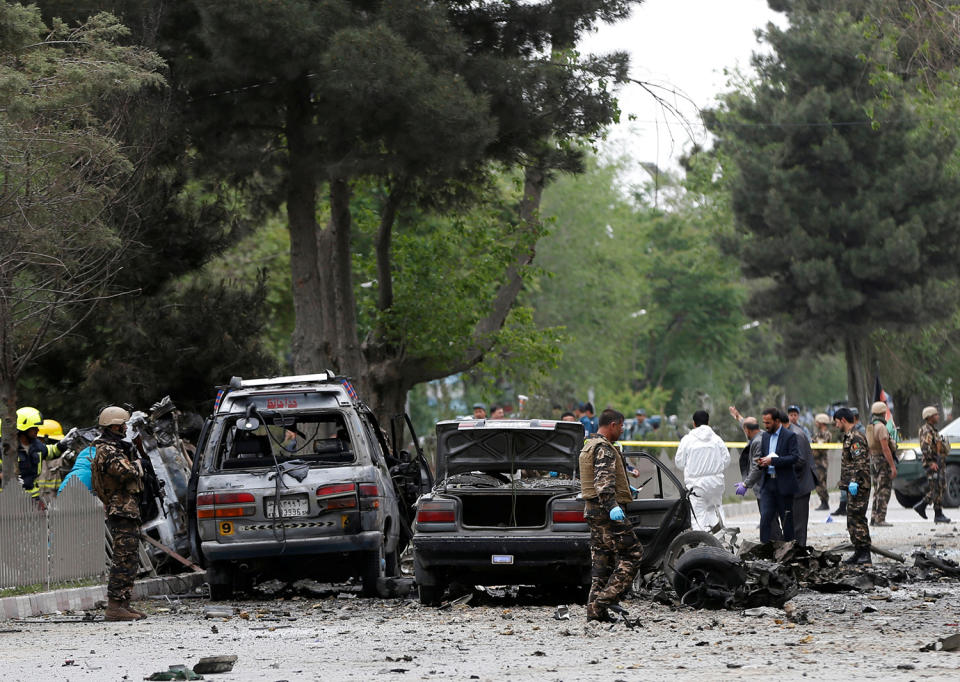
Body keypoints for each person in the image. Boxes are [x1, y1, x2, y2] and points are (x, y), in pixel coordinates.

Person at [579, 409, 643, 622]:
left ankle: (595, 613)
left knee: (602, 562)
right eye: (622, 426)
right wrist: (613, 504)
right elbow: (603, 483)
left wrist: (626, 490)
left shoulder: (589, 445)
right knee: (633, 553)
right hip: (607, 511)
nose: (623, 430)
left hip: (593, 511)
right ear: (613, 424)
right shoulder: (604, 448)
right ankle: (605, 599)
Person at [91, 406, 147, 622]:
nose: (125, 428)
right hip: (120, 508)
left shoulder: (116, 448)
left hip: (127, 508)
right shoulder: (107, 450)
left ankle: (123, 603)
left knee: (130, 558)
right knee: (123, 558)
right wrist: (138, 464)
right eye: (122, 425)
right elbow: (125, 471)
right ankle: (114, 606)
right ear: (114, 426)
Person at [675, 410, 730, 531]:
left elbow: (679, 463)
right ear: (708, 422)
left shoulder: (687, 440)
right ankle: (720, 544)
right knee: (716, 513)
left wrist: (693, 467)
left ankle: (702, 546)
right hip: (716, 483)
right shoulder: (717, 439)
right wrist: (714, 469)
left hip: (697, 485)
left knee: (698, 517)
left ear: (693, 423)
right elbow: (727, 460)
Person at [756, 407, 800, 543]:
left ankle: (789, 550)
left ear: (777, 421)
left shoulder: (789, 436)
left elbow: (794, 458)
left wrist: (773, 461)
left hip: (783, 485)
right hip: (768, 484)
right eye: (764, 422)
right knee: (765, 519)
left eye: (768, 423)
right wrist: (762, 462)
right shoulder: (765, 436)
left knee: (786, 520)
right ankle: (764, 549)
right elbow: (763, 455)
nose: (766, 426)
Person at [834, 408, 871, 564]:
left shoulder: (856, 437)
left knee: (858, 519)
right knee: (852, 520)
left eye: (836, 422)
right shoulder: (849, 437)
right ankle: (858, 552)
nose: (836, 426)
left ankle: (865, 554)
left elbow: (860, 462)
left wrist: (855, 481)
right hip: (852, 485)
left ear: (843, 420)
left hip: (859, 485)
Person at [738, 417, 783, 540]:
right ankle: (778, 547)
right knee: (772, 521)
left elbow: (757, 468)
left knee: (770, 523)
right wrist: (738, 417)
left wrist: (746, 484)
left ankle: (779, 549)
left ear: (747, 430)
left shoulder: (758, 442)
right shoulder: (764, 435)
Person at [786, 409, 817, 546]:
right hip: (795, 483)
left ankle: (799, 551)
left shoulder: (796, 434)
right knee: (793, 521)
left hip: (800, 484)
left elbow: (799, 461)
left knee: (799, 523)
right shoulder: (791, 432)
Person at [915, 406, 951, 523]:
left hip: (938, 462)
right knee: (935, 487)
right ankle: (922, 506)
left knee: (940, 487)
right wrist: (931, 462)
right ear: (930, 417)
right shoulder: (926, 430)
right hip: (933, 463)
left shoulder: (932, 430)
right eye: (936, 415)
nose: (938, 416)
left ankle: (938, 514)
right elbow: (925, 448)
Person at [15, 407, 61, 499]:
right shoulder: (7, 449)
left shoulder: (37, 446)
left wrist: (63, 444)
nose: (38, 430)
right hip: (10, 500)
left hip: (33, 501)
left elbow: (50, 451)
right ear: (24, 428)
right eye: (34, 428)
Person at [866, 401, 897, 527]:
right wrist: (892, 466)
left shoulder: (870, 427)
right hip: (882, 461)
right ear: (883, 413)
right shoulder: (881, 428)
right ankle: (880, 518)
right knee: (884, 490)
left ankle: (874, 517)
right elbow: (885, 449)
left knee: (877, 490)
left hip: (873, 460)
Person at [811, 413, 832, 510]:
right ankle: (823, 501)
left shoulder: (826, 434)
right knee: (818, 482)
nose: (816, 423)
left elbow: (821, 447)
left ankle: (824, 502)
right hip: (816, 461)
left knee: (821, 482)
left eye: (817, 422)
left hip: (821, 461)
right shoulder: (818, 434)